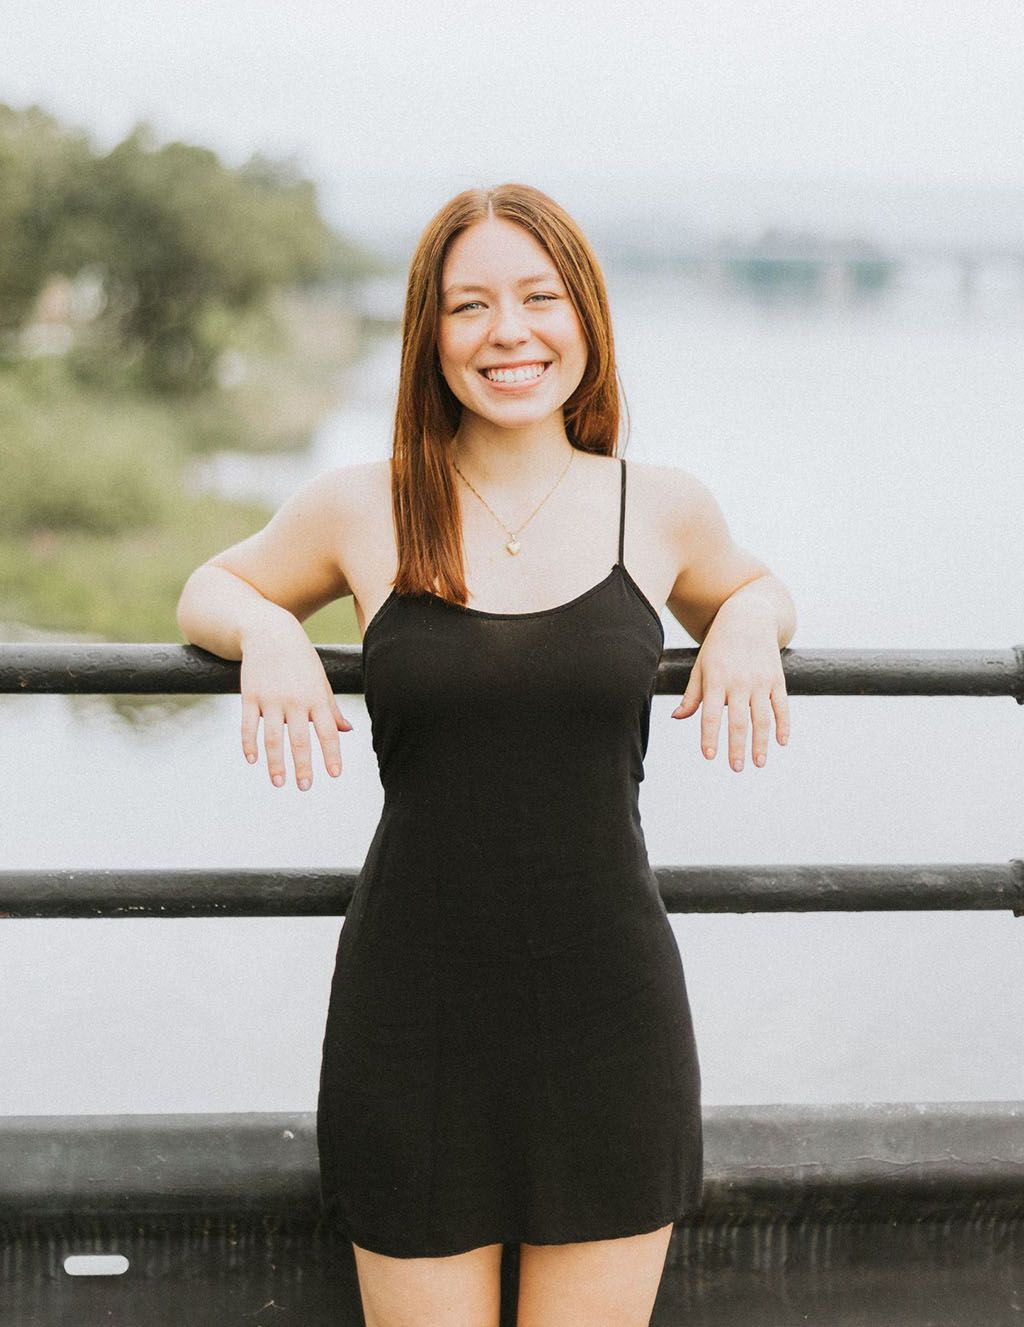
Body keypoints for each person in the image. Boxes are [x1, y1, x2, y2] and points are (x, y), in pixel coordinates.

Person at [176, 182, 796, 1327]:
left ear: (585, 320)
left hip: (611, 1018)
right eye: (470, 306)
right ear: (429, 336)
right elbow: (210, 582)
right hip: (412, 1022)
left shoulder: (655, 506)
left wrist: (752, 619)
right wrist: (268, 629)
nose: (508, 332)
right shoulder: (362, 505)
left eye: (537, 297)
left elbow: (750, 582)